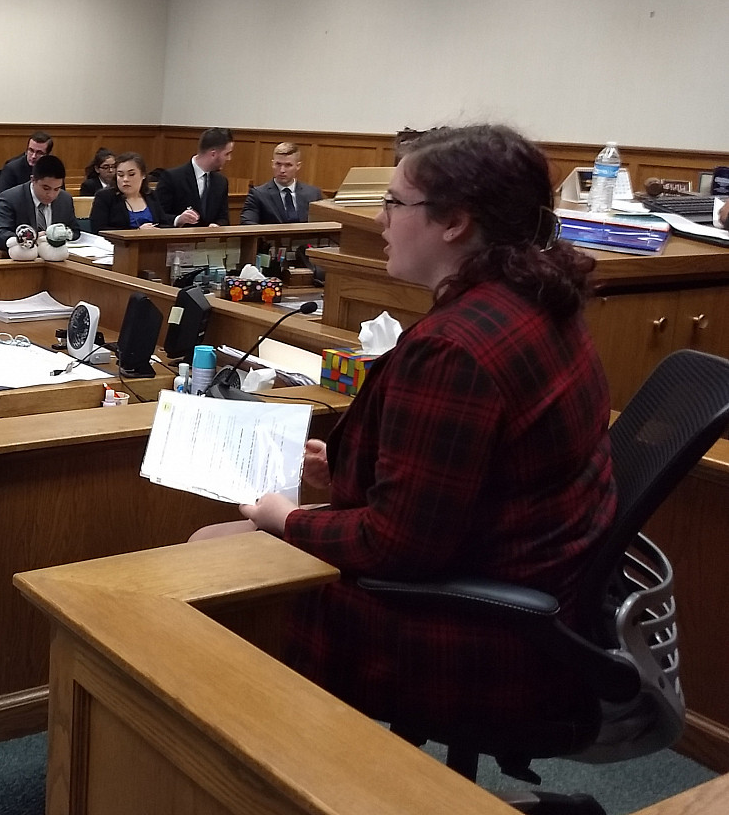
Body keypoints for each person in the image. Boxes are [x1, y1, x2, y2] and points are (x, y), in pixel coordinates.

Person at [204, 124, 617, 740]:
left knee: (208, 559)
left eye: (395, 203)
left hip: (475, 626)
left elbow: (396, 545)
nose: (380, 218)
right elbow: (469, 472)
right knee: (218, 539)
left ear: (455, 222)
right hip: (543, 591)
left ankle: (267, 775)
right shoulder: (533, 300)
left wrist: (282, 517)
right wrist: (349, 468)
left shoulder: (455, 349)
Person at [0, 153, 79, 249]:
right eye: (46, 188)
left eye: (57, 189)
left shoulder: (65, 199)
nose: (51, 195)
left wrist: (64, 234)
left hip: (56, 256)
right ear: (33, 180)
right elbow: (0, 235)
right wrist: (30, 238)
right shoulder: (11, 198)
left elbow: (75, 231)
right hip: (25, 257)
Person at [155, 127, 232, 227]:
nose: (229, 158)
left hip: (210, 241)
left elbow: (224, 218)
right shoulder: (172, 178)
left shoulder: (221, 182)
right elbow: (157, 216)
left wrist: (217, 225)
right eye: (227, 154)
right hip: (179, 239)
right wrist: (178, 219)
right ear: (213, 154)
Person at [241, 142, 323, 224]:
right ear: (272, 164)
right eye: (278, 164)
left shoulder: (313, 194)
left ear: (298, 166)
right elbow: (247, 223)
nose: (282, 170)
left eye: (288, 165)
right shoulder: (258, 194)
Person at [90, 152, 165, 231]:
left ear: (143, 175)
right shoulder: (105, 197)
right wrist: (137, 232)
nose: (125, 179)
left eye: (131, 174)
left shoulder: (151, 195)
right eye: (120, 175)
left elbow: (165, 224)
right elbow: (98, 230)